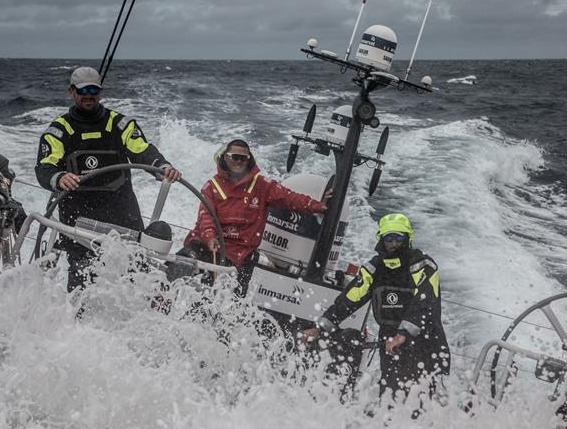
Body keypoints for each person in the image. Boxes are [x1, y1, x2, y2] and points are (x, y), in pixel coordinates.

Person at [35, 66, 181, 292]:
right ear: (71, 92)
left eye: (94, 89)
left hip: (122, 215)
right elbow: (45, 168)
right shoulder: (59, 131)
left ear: (100, 93)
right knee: (81, 280)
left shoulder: (120, 124)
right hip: (78, 218)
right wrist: (60, 177)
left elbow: (142, 150)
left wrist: (162, 167)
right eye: (83, 90)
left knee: (136, 273)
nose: (89, 95)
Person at [302, 213, 450, 411]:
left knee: (419, 399)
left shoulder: (422, 265)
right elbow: (349, 299)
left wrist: (403, 333)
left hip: (423, 340)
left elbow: (425, 301)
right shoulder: (374, 268)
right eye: (389, 238)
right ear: (381, 239)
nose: (394, 243)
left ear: (408, 238)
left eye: (399, 237)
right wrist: (320, 327)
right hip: (390, 340)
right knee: (389, 394)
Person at [178, 139, 328, 297]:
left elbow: (290, 198)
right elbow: (205, 217)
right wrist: (210, 237)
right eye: (235, 157)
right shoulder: (212, 186)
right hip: (207, 243)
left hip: (238, 253)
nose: (239, 161)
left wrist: (318, 206)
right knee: (184, 261)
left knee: (223, 292)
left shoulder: (263, 186)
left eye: (243, 158)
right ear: (225, 158)